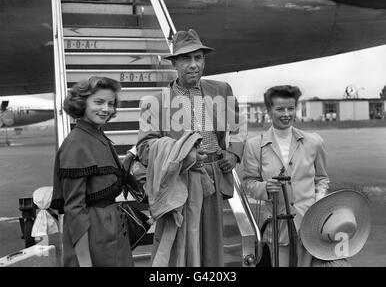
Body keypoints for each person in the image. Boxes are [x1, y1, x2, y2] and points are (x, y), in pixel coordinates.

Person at [136, 29, 247, 266]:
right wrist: (184, 153)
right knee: (181, 245)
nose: (194, 65)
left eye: (199, 58)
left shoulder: (221, 90)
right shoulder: (154, 103)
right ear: (174, 63)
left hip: (214, 176)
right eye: (186, 58)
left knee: (211, 245)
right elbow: (145, 148)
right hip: (180, 180)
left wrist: (233, 153)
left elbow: (238, 126)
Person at [242, 85, 330, 267]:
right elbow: (249, 183)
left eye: (291, 108)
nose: (286, 114)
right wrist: (264, 187)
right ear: (269, 111)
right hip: (275, 227)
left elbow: (322, 179)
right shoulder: (253, 145)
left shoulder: (314, 142)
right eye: (280, 109)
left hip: (309, 225)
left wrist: (319, 203)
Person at [50, 76, 133, 267]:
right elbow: (75, 210)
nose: (106, 109)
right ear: (82, 103)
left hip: (111, 231)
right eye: (99, 102)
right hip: (93, 237)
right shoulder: (77, 144)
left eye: (111, 104)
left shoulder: (96, 136)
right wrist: (85, 263)